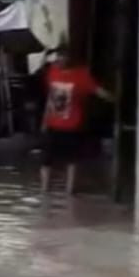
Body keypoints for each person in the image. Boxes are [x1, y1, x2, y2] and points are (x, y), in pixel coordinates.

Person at [40, 46, 113, 195]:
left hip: (71, 126)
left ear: (70, 59)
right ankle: (44, 191)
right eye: (59, 56)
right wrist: (44, 121)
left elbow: (97, 91)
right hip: (52, 124)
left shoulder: (81, 76)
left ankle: (69, 192)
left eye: (64, 56)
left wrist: (114, 98)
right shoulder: (52, 72)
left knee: (71, 160)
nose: (61, 59)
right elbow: (50, 98)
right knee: (46, 159)